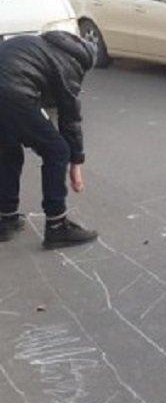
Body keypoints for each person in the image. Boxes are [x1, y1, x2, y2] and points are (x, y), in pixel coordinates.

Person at [0, 32, 99, 249]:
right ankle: (57, 226)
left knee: (8, 150)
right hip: (11, 92)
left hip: (8, 88)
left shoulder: (42, 45)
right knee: (57, 151)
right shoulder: (70, 64)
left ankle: (6, 218)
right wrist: (76, 161)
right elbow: (69, 117)